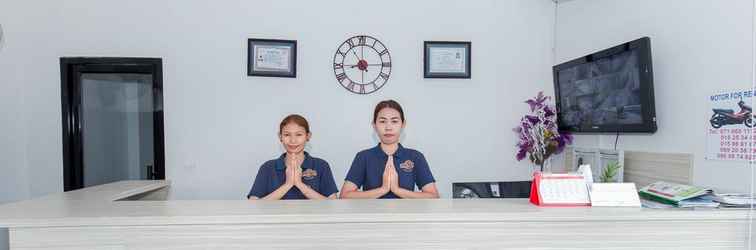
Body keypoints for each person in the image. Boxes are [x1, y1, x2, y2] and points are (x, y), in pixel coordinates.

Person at [340, 100, 439, 199]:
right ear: (374, 125)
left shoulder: (415, 156)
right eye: (382, 121)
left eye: (394, 121)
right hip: (372, 214)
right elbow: (344, 196)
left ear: (403, 124)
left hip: (405, 214)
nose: (388, 127)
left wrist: (397, 190)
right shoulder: (363, 157)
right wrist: (383, 189)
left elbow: (433, 196)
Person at [247, 114, 338, 200]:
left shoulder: (321, 165)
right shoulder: (267, 167)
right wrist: (288, 184)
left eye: (299, 134)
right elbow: (254, 204)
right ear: (280, 136)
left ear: (308, 136)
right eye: (287, 135)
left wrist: (299, 184)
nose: (293, 140)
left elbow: (332, 203)